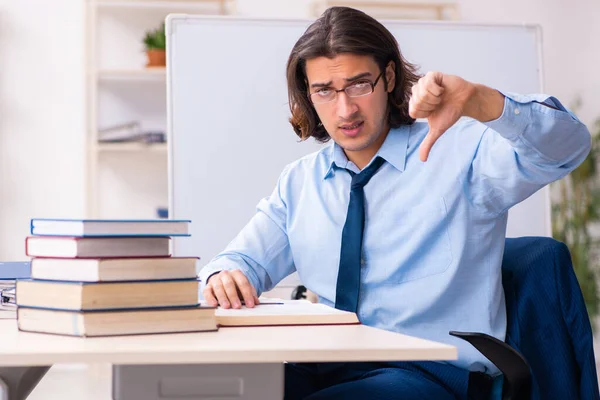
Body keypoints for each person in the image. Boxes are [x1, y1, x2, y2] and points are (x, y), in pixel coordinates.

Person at [199, 6, 591, 400]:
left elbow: (566, 149)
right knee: (215, 390)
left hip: (427, 375)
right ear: (308, 94)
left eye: (359, 85)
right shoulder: (300, 183)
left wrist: (480, 101)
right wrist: (223, 277)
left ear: (387, 78)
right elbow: (239, 262)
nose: (345, 109)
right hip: (324, 368)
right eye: (325, 91)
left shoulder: (457, 153)